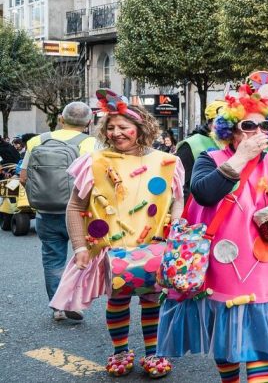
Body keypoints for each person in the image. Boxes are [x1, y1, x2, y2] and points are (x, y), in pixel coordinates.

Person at [157, 72, 268, 383]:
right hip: (221, 260)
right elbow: (205, 192)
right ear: (232, 131)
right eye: (249, 125)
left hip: (264, 260)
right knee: (228, 328)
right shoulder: (211, 158)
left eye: (265, 125)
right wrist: (241, 158)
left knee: (261, 328)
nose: (258, 131)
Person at [49, 92, 182, 378]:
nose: (116, 132)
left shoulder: (167, 162)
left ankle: (154, 353)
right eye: (111, 127)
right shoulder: (93, 162)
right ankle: (120, 350)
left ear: (141, 128)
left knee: (151, 300)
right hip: (113, 249)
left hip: (152, 247)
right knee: (118, 299)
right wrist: (80, 246)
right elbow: (75, 205)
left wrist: (176, 238)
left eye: (123, 127)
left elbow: (178, 201)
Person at [23, 101, 97, 322]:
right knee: (82, 257)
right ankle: (73, 301)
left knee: (52, 258)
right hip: (79, 214)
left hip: (45, 211)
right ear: (89, 122)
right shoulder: (91, 143)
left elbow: (24, 176)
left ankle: (58, 307)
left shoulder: (36, 141)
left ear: (61, 119)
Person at [176, 101, 227, 197]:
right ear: (210, 122)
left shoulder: (232, 143)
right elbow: (181, 183)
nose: (225, 127)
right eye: (220, 122)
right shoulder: (190, 144)